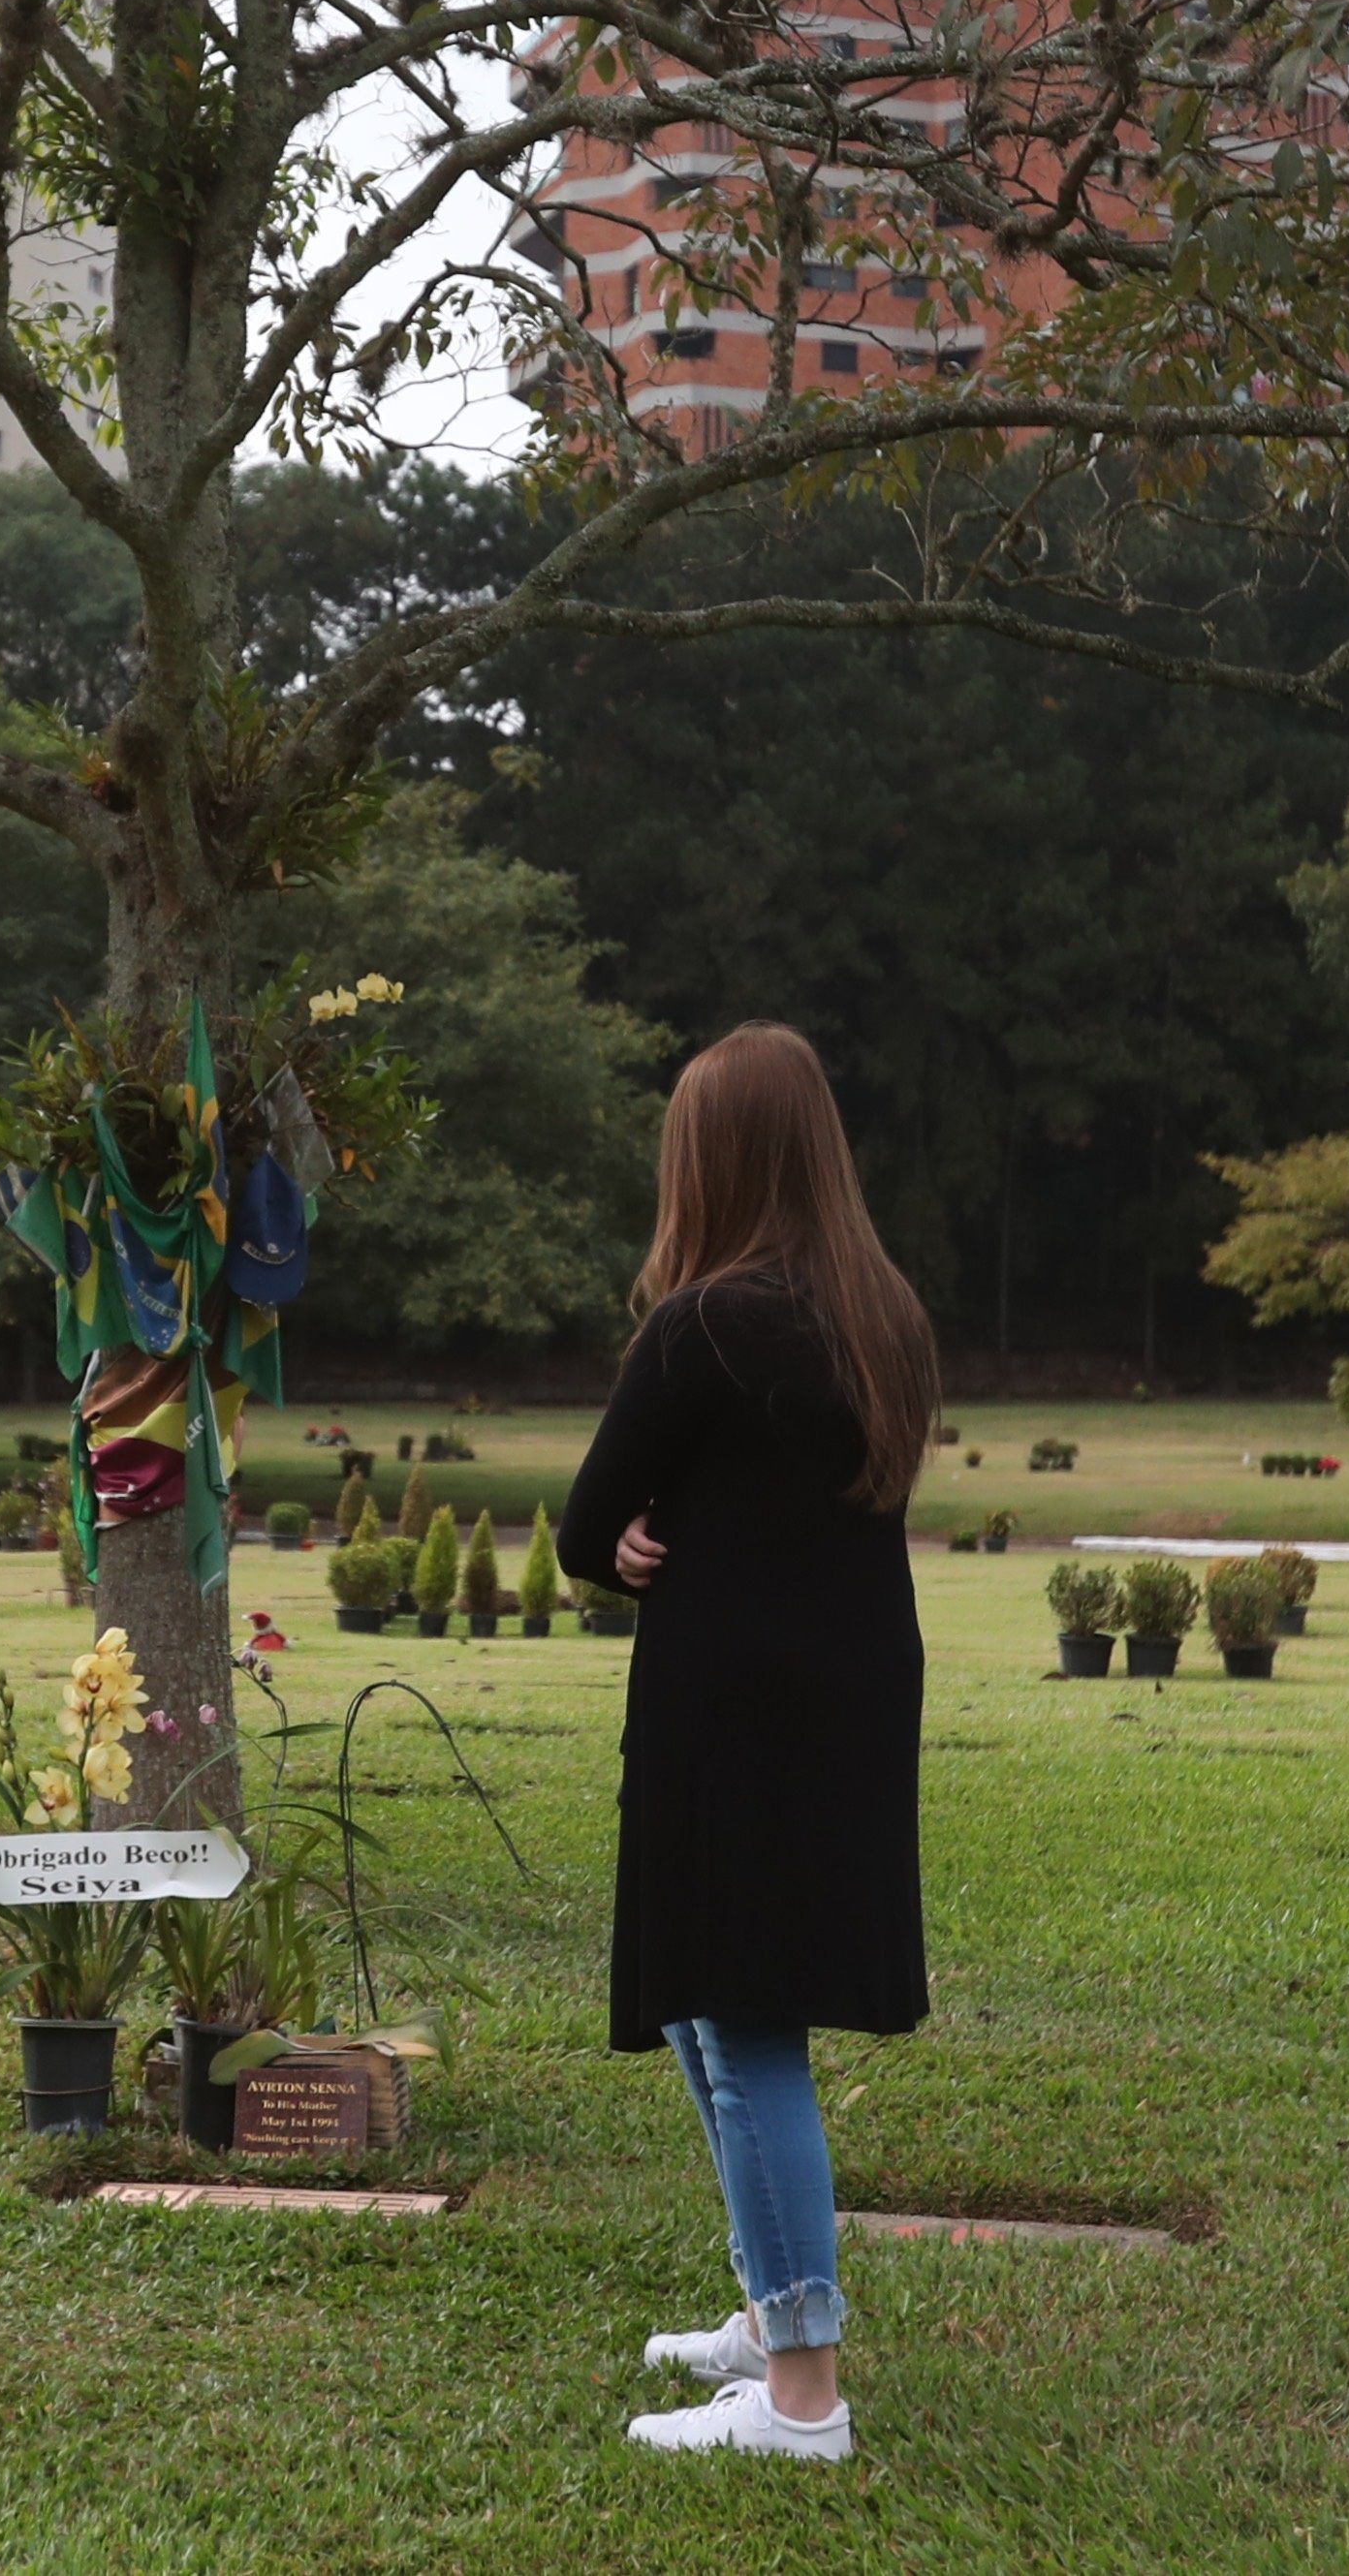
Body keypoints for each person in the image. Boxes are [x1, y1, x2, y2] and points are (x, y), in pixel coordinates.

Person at [558, 1022, 937, 2465]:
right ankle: (772, 2305)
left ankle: (802, 2396)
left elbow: (589, 1523)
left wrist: (630, 1540)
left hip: (730, 1709)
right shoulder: (885, 1320)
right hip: (849, 1701)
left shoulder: (701, 1326)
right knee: (714, 2010)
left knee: (742, 2017)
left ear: (712, 1163)